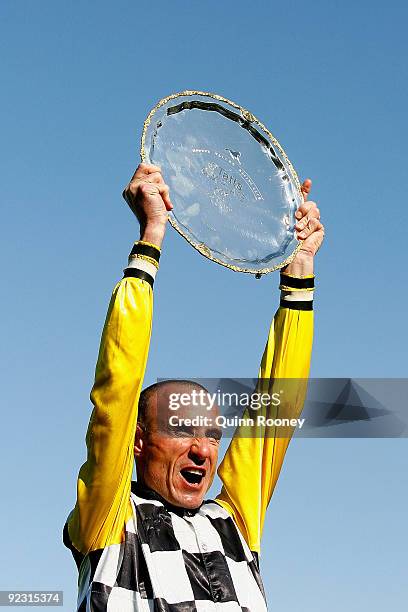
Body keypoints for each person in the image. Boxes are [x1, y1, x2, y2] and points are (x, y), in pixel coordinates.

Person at [63, 162, 324, 611]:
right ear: (139, 441)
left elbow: (277, 405)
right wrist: (150, 239)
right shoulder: (110, 517)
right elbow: (117, 386)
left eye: (212, 436)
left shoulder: (234, 522)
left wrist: (299, 271)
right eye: (184, 429)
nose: (204, 450)